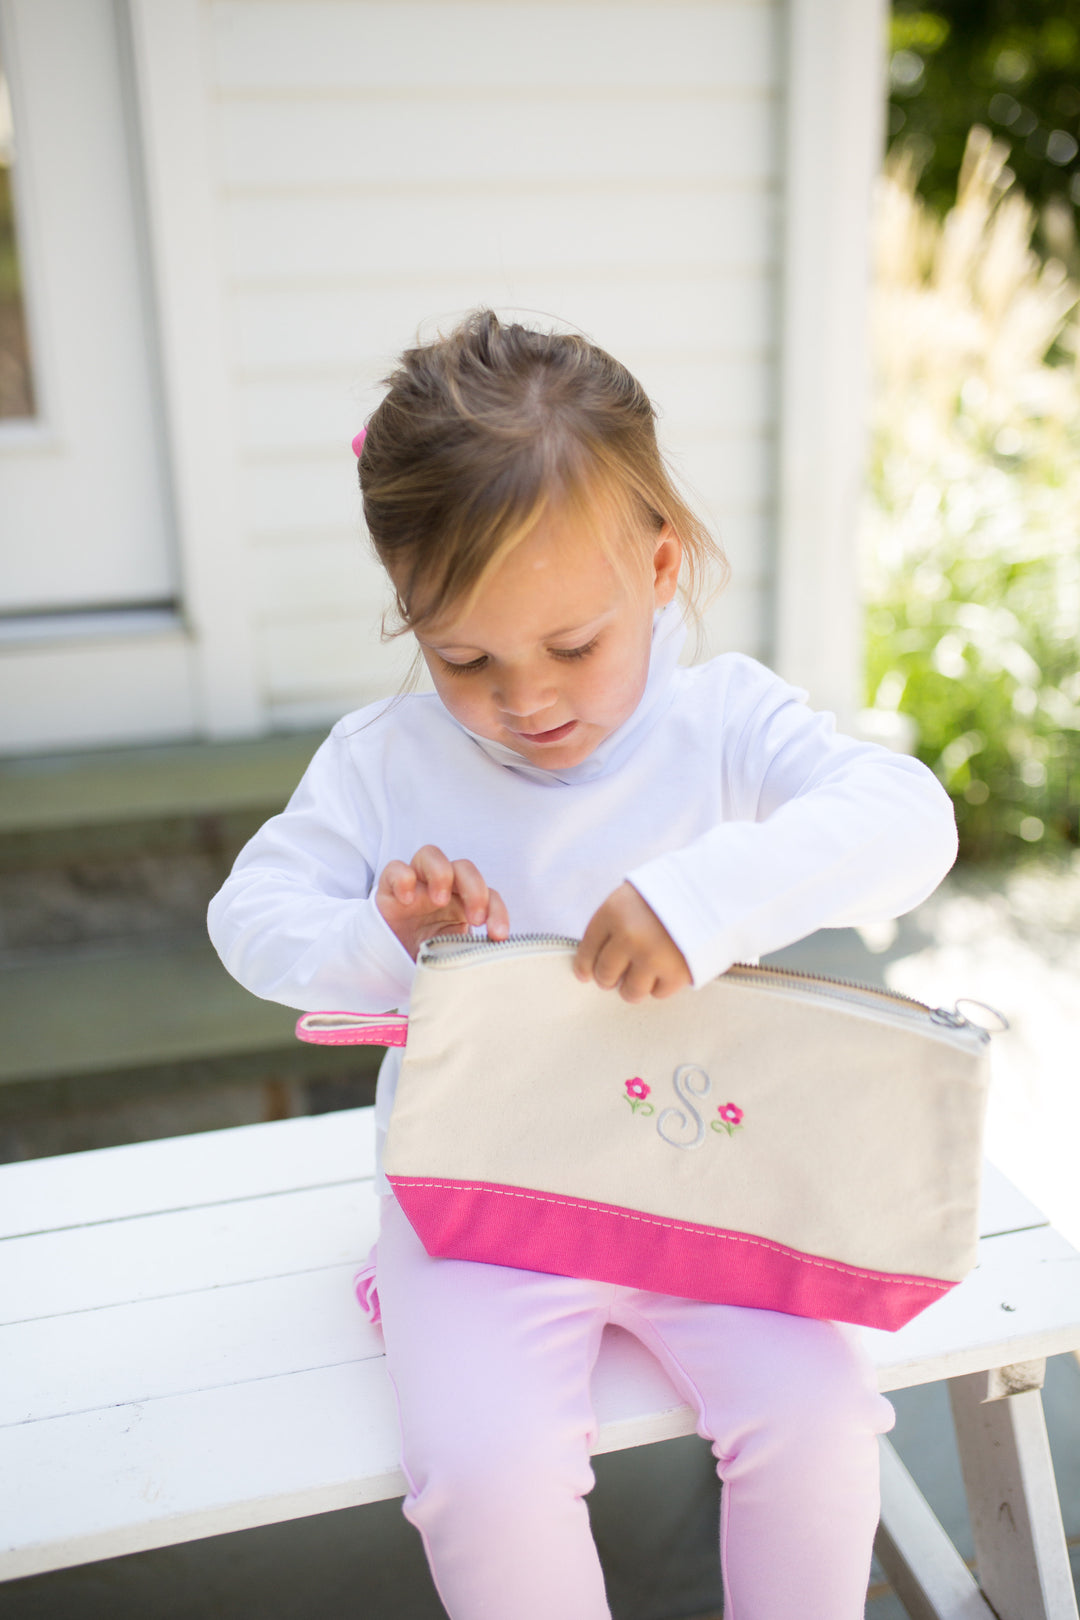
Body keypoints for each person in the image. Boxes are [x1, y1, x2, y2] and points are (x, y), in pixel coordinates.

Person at [208, 310, 957, 1619]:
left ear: (660, 567)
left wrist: (705, 892)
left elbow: (913, 826)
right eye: (463, 658)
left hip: (706, 1177)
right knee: (484, 1467)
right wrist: (383, 941)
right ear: (412, 618)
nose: (527, 699)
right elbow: (250, 917)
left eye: (571, 645)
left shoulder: (723, 724)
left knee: (823, 1423)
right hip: (478, 1200)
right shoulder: (388, 760)